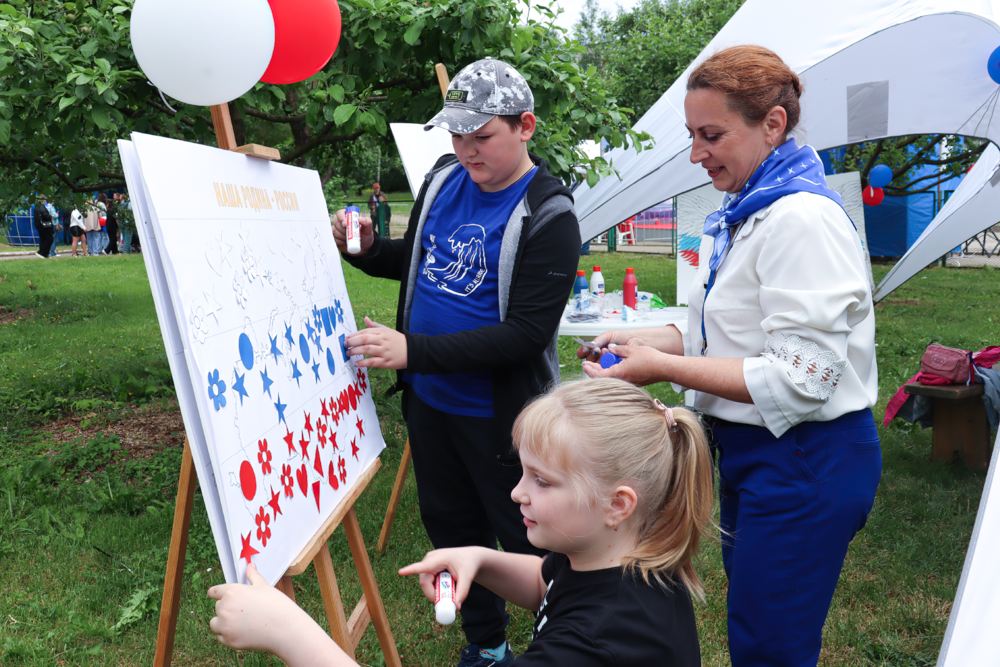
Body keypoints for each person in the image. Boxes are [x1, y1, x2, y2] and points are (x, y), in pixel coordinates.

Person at [580, 45, 880, 667]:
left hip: (804, 457)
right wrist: (644, 343)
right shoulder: (752, 207)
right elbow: (732, 336)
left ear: (772, 124)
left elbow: (802, 376)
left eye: (711, 135)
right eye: (692, 135)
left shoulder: (801, 220)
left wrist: (662, 368)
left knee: (771, 646)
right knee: (757, 629)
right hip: (760, 452)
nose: (696, 154)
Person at [332, 57, 580, 667]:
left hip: (504, 420)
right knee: (450, 525)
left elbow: (524, 336)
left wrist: (412, 351)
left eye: (482, 136)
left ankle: (563, 644)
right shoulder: (444, 180)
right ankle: (487, 645)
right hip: (432, 405)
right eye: (456, 135)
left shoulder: (550, 215)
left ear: (525, 126)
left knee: (529, 539)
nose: (467, 150)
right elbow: (420, 258)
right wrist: (366, 250)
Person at [208, 378, 712, 667]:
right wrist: (482, 559)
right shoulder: (612, 555)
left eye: (542, 480)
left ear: (617, 505)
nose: (517, 492)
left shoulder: (599, 644)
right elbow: (549, 584)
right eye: (522, 472)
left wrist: (285, 630)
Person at [32, 194, 54, 259]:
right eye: (45, 200)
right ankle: (43, 253)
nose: (46, 201)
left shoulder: (36, 207)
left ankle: (43, 253)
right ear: (43, 200)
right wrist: (50, 216)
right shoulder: (41, 207)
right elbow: (46, 215)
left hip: (39, 225)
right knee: (49, 238)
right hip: (45, 226)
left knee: (43, 239)